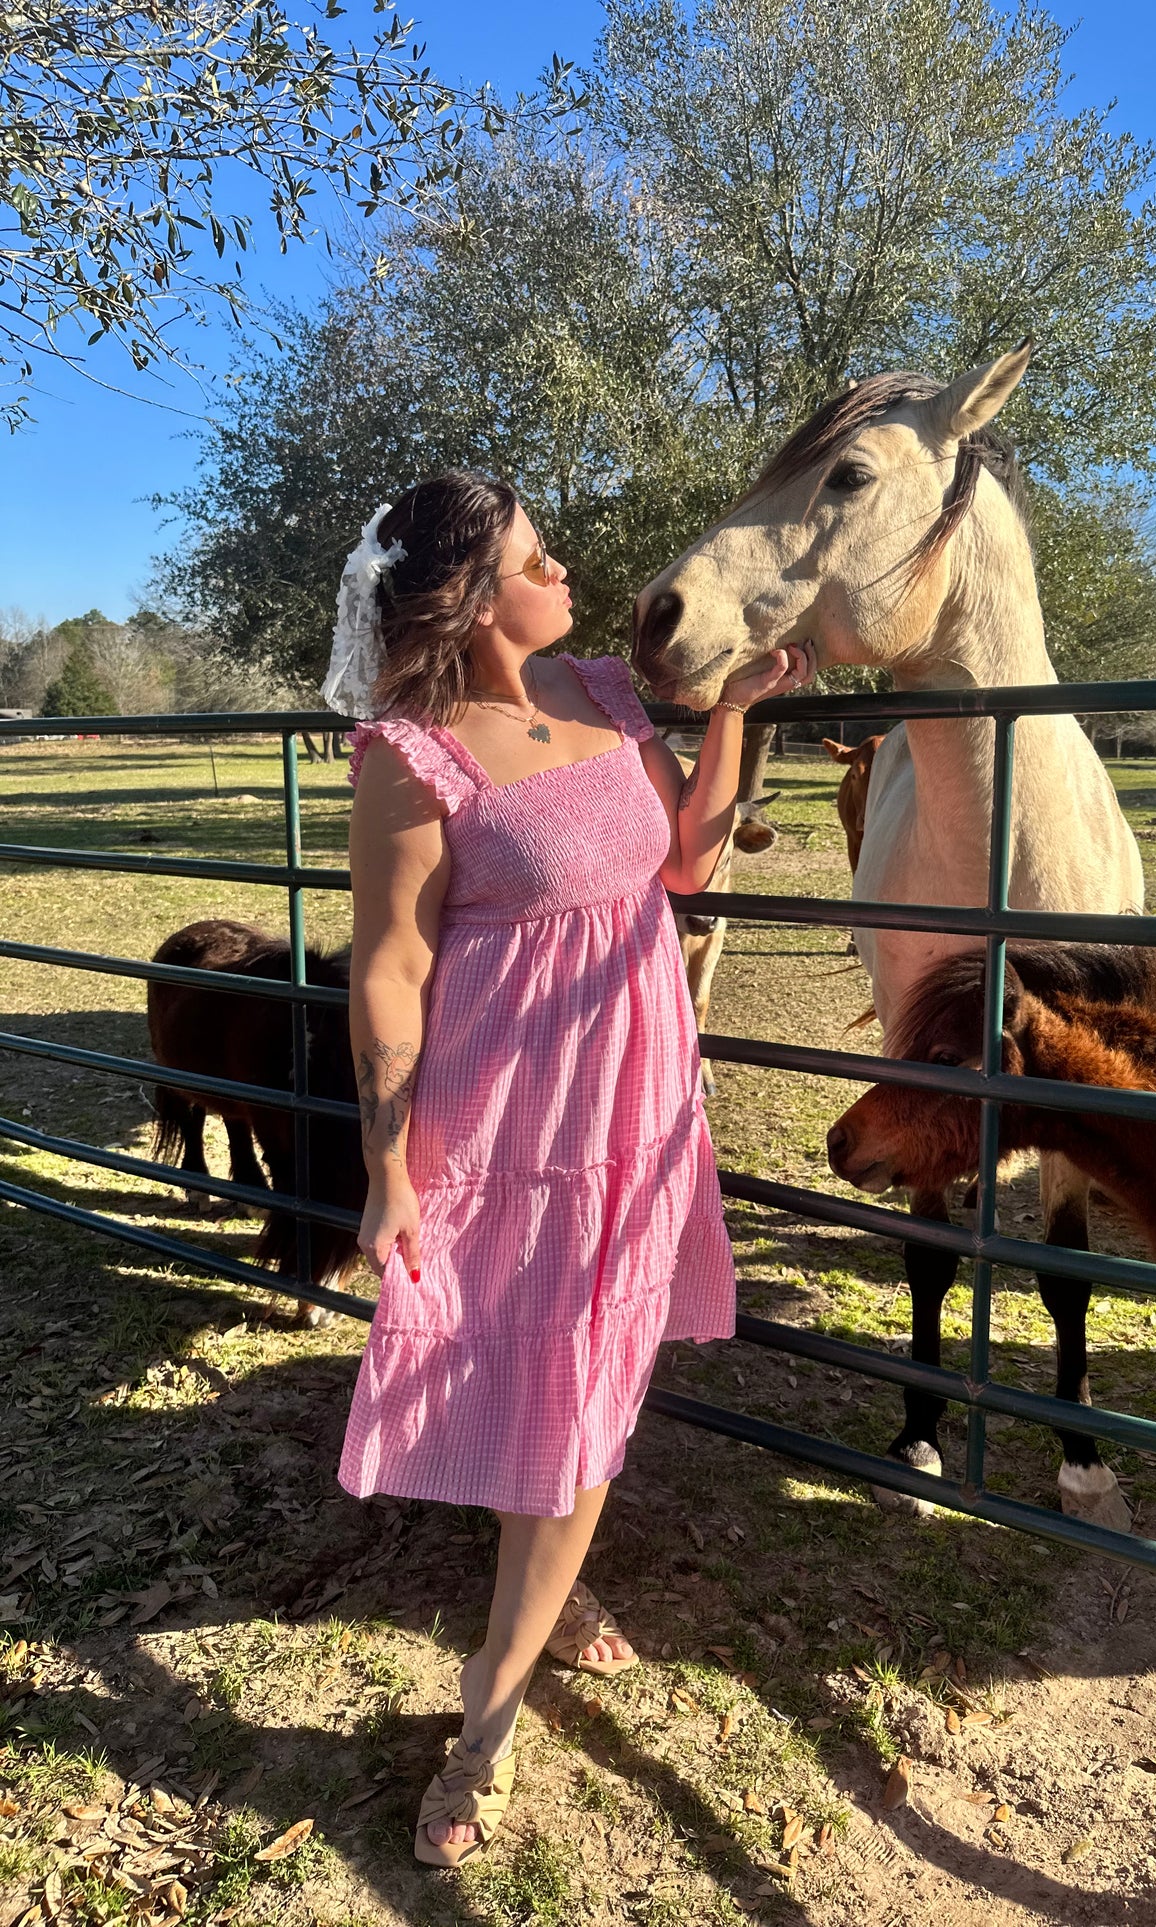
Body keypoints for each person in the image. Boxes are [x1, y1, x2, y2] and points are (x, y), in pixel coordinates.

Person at [322, 471, 815, 1868]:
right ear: (474, 602)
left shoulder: (603, 694)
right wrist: (387, 1161)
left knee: (584, 1378)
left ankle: (532, 1613)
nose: (572, 580)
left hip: (635, 1092)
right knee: (543, 1371)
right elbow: (394, 966)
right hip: (507, 1113)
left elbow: (684, 872)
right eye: (542, 562)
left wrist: (726, 725)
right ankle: (487, 1717)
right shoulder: (410, 757)